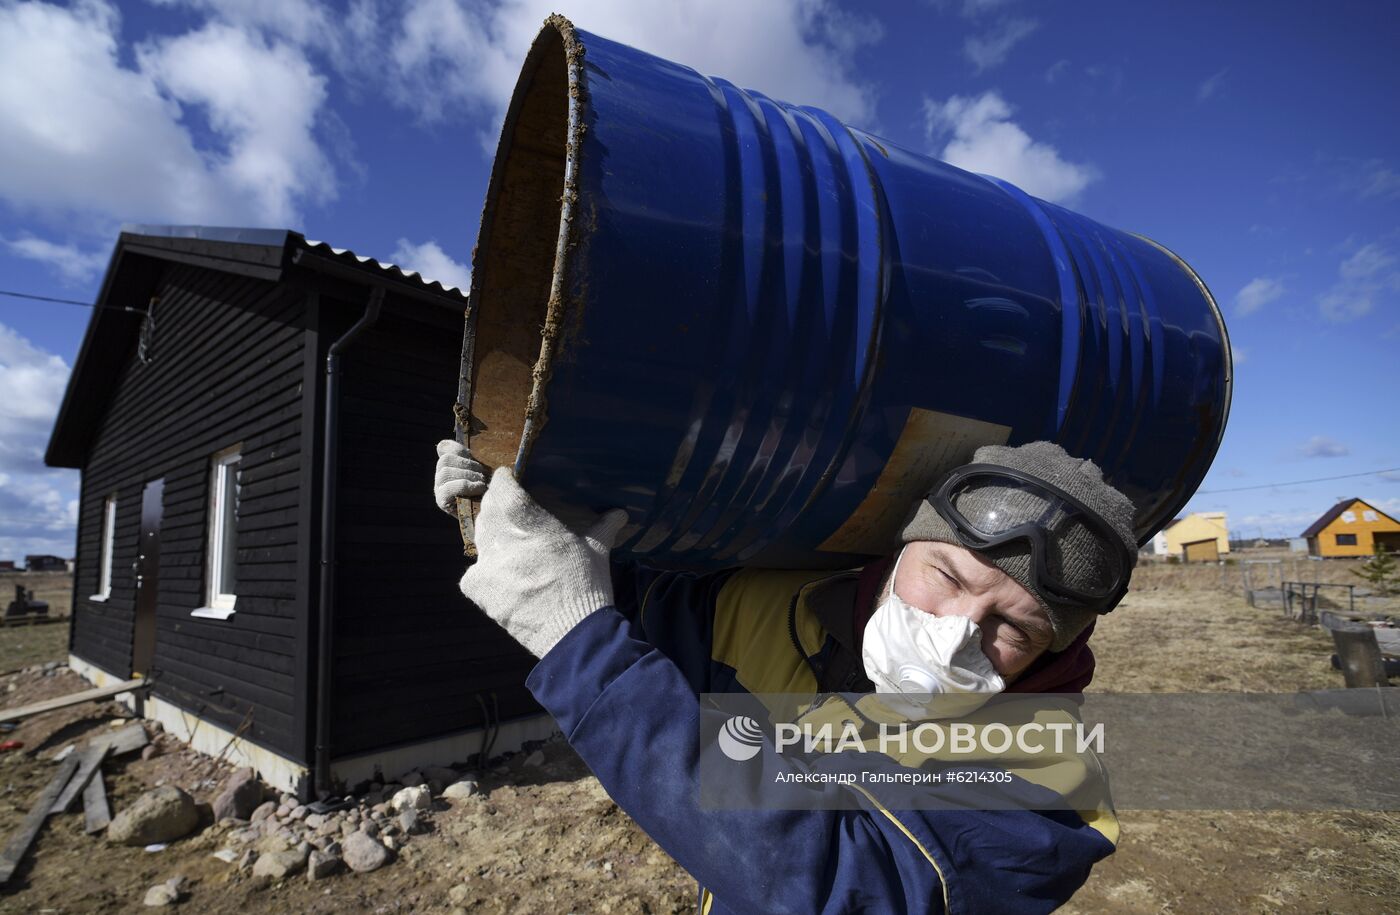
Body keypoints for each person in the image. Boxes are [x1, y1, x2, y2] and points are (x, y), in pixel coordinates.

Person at [433, 439, 1138, 914]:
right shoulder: (773, 610)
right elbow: (607, 598)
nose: (955, 633)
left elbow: (837, 882)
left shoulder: (1055, 787)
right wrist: (519, 512)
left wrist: (579, 641)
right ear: (905, 546)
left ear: (1051, 652)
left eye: (1011, 627)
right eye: (946, 575)